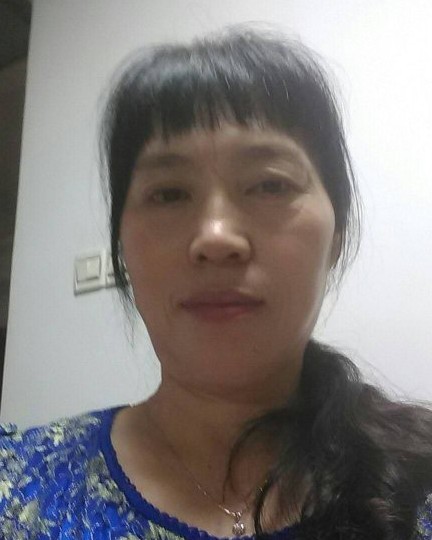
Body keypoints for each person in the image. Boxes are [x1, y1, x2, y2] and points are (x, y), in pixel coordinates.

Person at [1, 27, 431, 540]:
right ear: (123, 249)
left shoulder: (417, 482)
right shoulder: (15, 485)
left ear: (336, 236)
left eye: (269, 184)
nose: (216, 237)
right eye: (169, 193)